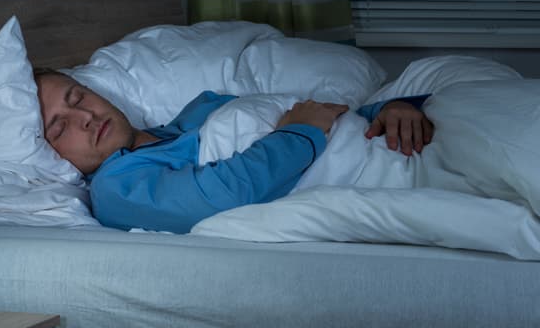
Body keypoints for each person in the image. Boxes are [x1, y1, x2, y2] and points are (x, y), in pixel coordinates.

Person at [35, 68, 432, 234]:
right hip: (386, 179)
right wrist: (299, 133)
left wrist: (389, 110)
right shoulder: (116, 188)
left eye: (78, 97)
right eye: (60, 127)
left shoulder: (199, 110)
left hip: (397, 141)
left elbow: (317, 113)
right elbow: (222, 194)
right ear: (50, 154)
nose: (84, 116)